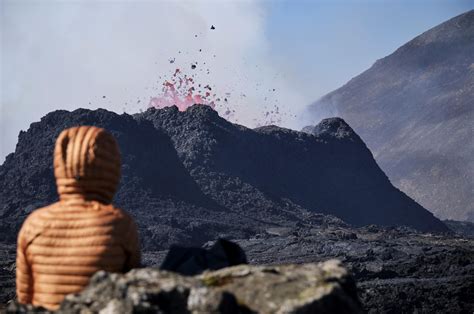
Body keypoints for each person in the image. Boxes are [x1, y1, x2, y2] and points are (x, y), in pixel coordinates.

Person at [16, 126, 140, 310]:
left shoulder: (34, 224)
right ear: (112, 170)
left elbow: (24, 298)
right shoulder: (119, 224)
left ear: (61, 166)